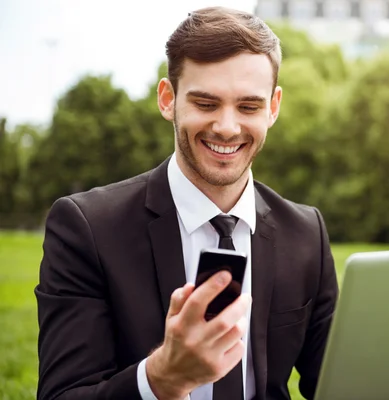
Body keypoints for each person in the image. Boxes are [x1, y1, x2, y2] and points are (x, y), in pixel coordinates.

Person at [35, 6, 339, 400]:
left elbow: (336, 384)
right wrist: (161, 379)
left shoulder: (306, 233)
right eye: (206, 103)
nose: (227, 128)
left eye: (248, 107)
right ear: (168, 99)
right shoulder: (86, 228)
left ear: (273, 108)